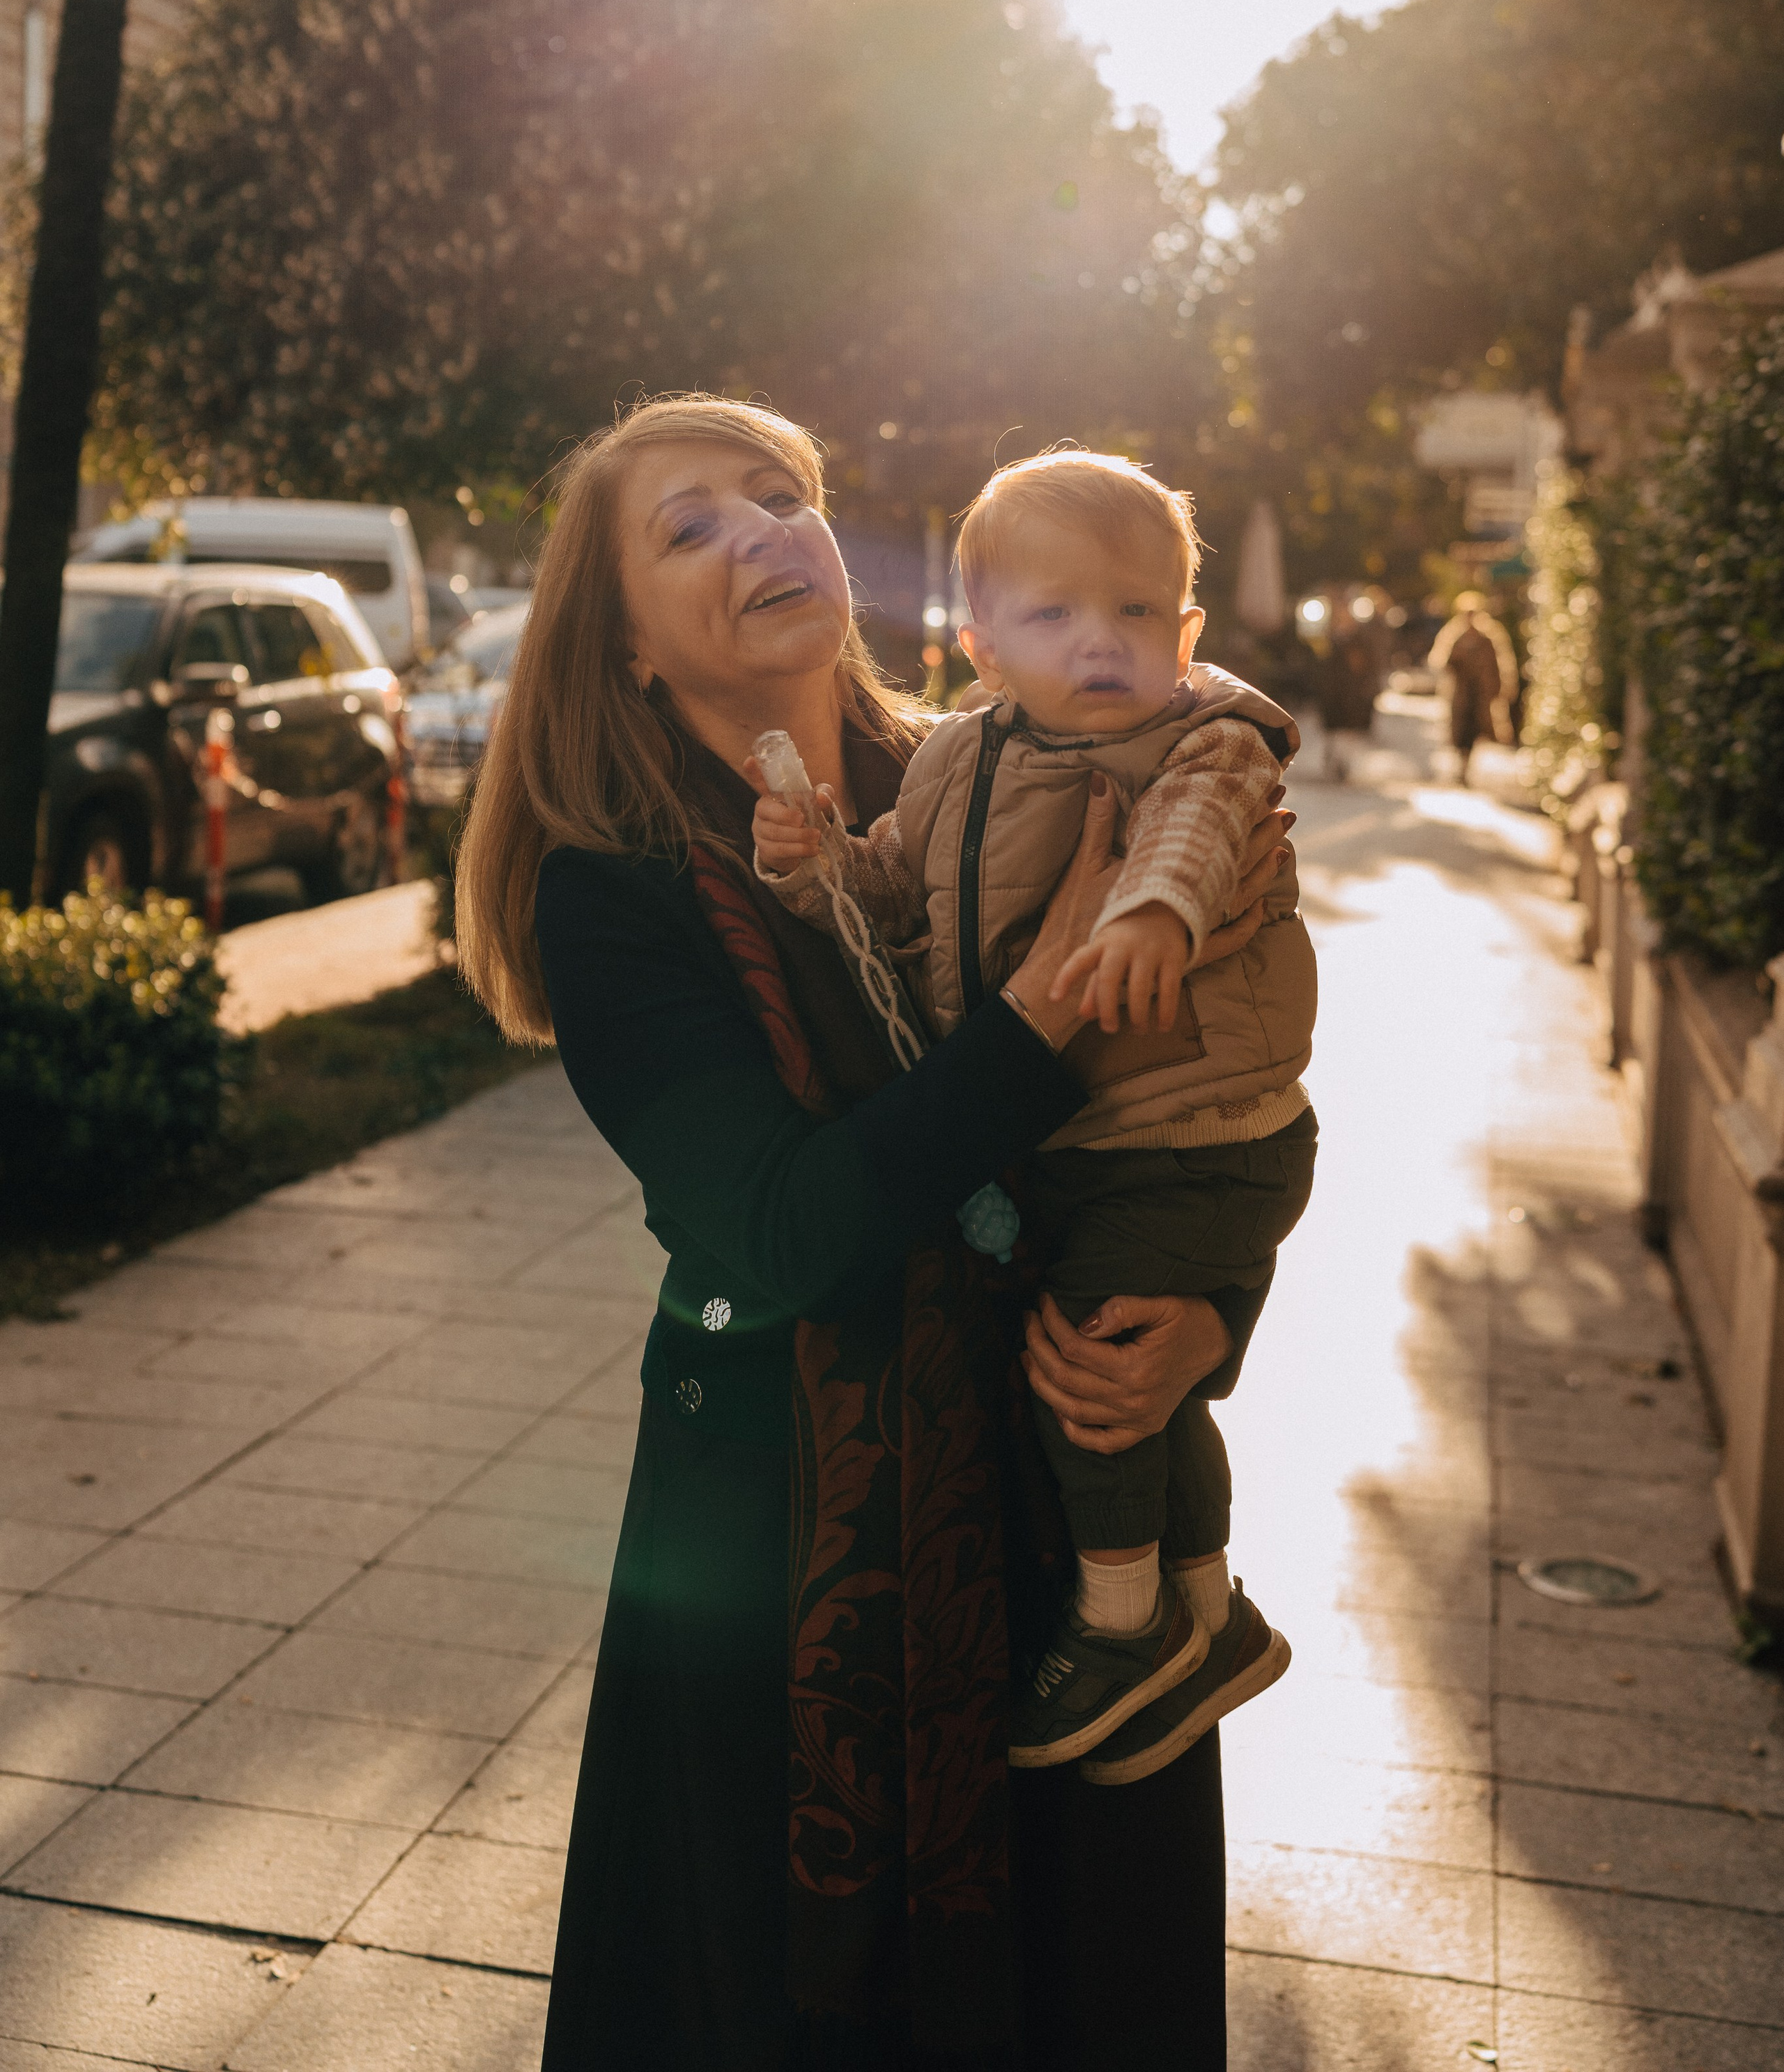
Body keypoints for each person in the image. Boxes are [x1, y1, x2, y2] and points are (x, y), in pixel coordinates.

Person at [453, 396, 1292, 2071]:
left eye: (782, 495)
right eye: (689, 527)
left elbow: (1221, 1087)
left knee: (1082, 1997)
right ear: (621, 640)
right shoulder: (613, 886)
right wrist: (1036, 1013)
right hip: (782, 1586)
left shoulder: (1019, 764)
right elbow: (779, 1233)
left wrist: (1206, 1309)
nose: (761, 532)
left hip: (1065, 1554)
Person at [752, 449, 1315, 1788]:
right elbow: (900, 900)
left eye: (1136, 613)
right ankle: (1203, 1603)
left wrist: (1151, 915)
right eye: (1056, 616)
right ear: (980, 645)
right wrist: (819, 864)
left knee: (1093, 1374)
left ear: (1186, 633)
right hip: (1103, 1149)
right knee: (1135, 1376)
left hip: (1202, 1137)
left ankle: (1121, 1628)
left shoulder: (1199, 742)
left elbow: (1197, 832)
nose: (1102, 644)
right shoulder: (954, 761)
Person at [1429, 591, 1518, 784]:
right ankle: (1462, 766)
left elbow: (1502, 664)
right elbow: (1440, 661)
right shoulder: (1454, 635)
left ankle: (1469, 765)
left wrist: (1503, 689)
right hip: (1461, 693)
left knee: (1480, 730)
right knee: (1461, 732)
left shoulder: (1490, 636)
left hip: (1481, 694)